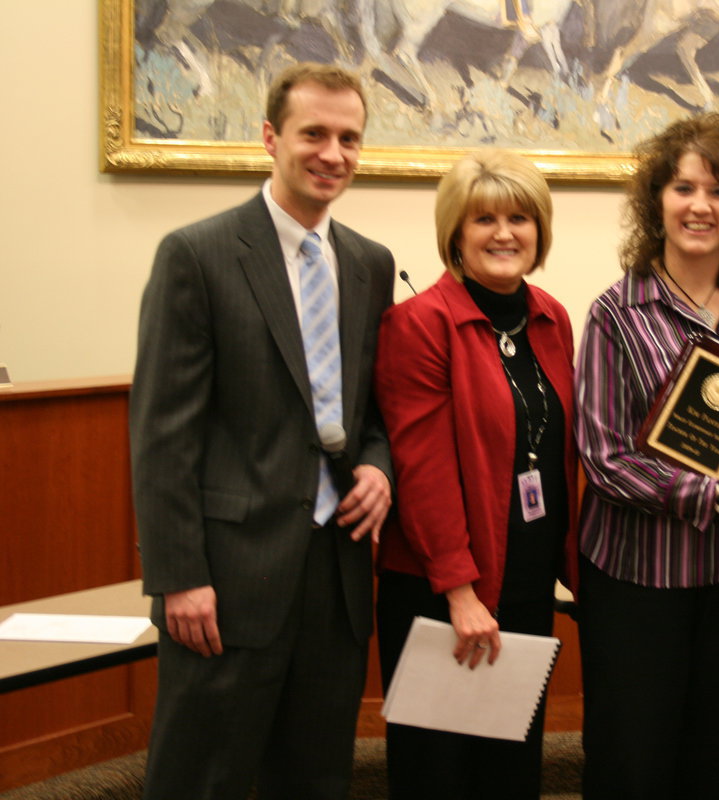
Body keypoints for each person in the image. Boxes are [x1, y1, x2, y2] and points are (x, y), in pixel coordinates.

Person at [130, 62, 395, 800]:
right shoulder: (198, 255)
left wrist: (379, 467)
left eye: (349, 138)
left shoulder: (370, 264)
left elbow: (370, 413)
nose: (332, 153)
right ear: (271, 137)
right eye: (314, 133)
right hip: (226, 578)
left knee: (314, 778)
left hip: (334, 572)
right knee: (202, 779)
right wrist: (180, 576)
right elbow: (162, 435)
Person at [574, 113, 719, 800]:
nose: (701, 205)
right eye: (684, 187)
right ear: (655, 201)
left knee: (716, 753)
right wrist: (716, 495)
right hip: (641, 581)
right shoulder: (616, 312)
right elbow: (604, 456)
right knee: (630, 756)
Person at [373, 149, 578, 800]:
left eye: (520, 217)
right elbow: (422, 470)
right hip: (442, 592)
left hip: (522, 581)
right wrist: (461, 593)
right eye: (483, 218)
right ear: (455, 234)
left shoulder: (550, 315)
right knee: (440, 779)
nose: (504, 233)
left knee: (510, 770)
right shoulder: (420, 323)